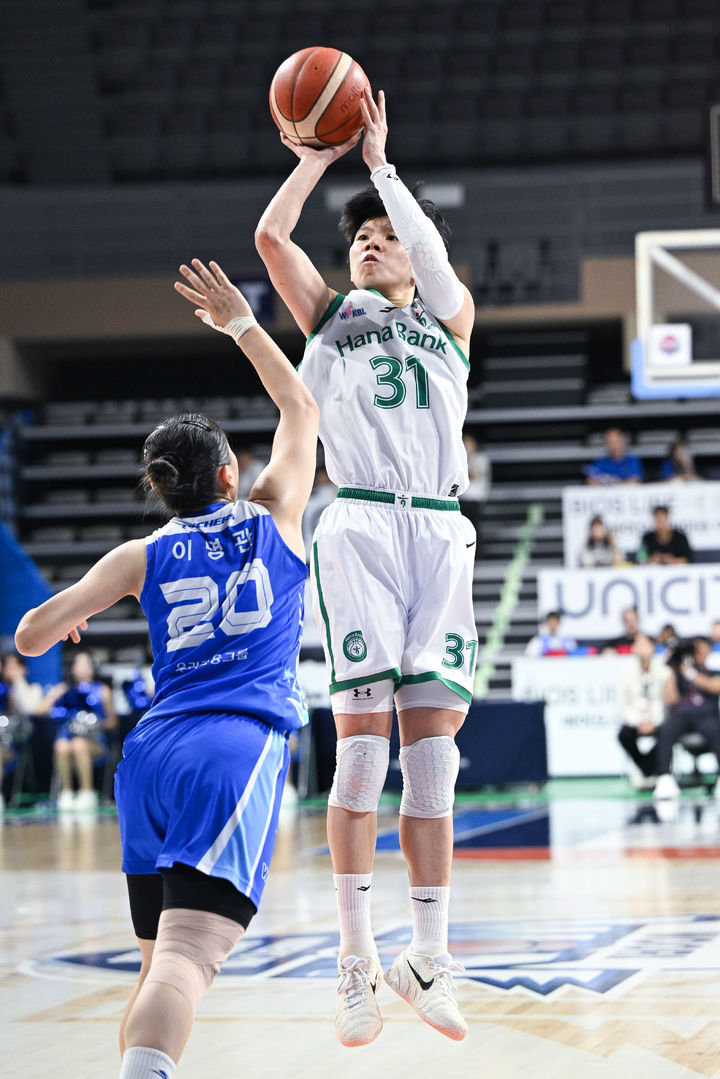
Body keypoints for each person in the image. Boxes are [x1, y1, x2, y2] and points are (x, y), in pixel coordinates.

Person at [15, 260, 319, 1079]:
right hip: (233, 746)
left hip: (150, 755)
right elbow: (301, 405)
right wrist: (240, 324)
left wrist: (76, 614)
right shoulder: (274, 515)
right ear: (230, 475)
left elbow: (31, 635)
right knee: (188, 961)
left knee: (157, 964)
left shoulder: (140, 554)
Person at [255, 87, 475, 1045]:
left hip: (440, 528)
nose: (371, 245)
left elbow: (429, 257)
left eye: (384, 235)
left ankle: (425, 957)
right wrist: (315, 152)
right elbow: (271, 240)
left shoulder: (452, 318)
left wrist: (383, 165)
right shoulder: (331, 317)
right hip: (360, 527)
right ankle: (353, 960)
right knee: (359, 751)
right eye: (361, 239)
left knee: (436, 770)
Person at [36, 649, 117, 811]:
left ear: (93, 668)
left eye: (86, 664)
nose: (82, 668)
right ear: (72, 668)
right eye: (78, 664)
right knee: (61, 745)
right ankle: (66, 793)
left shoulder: (102, 690)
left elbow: (112, 722)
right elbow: (40, 710)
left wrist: (93, 724)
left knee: (79, 744)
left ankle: (87, 792)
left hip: (95, 742)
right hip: (67, 738)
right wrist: (54, 695)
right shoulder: (65, 690)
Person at [654, 637, 720, 800]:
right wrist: (673, 668)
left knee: (716, 729)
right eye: (695, 648)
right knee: (666, 728)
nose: (697, 652)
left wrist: (689, 672)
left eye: (702, 648)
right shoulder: (678, 673)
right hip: (681, 717)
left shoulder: (712, 672)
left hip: (706, 717)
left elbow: (714, 686)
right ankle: (665, 778)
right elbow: (670, 699)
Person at [617, 633, 670, 789]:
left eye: (645, 645)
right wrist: (638, 722)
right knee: (624, 735)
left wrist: (654, 722)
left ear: (652, 647)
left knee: (669, 734)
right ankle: (646, 768)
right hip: (636, 720)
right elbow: (622, 703)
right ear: (633, 649)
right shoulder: (626, 674)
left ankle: (657, 771)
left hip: (658, 719)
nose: (642, 649)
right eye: (638, 645)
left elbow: (667, 701)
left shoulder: (664, 671)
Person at [0, 652, 42, 812]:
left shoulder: (31, 688)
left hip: (14, 745)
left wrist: (18, 681)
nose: (10, 670)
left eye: (14, 666)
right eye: (7, 666)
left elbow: (29, 708)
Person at [460, 432, 491, 530]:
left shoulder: (481, 459)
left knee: (475, 529)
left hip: (475, 501)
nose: (467, 447)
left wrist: (468, 459)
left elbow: (475, 475)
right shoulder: (459, 459)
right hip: (462, 500)